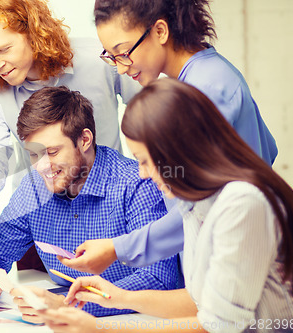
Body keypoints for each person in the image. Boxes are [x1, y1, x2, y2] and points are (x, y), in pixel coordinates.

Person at [39, 78, 293, 333]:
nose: (143, 173)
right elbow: (202, 303)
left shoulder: (242, 203)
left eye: (145, 160)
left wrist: (100, 328)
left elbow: (220, 326)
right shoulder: (196, 205)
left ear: (179, 150)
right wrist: (116, 297)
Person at [60, 0, 279, 275]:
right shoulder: (205, 76)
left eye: (124, 52)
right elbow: (268, 148)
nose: (121, 68)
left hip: (234, 265)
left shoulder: (205, 89)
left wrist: (118, 248)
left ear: (160, 31)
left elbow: (196, 210)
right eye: (111, 56)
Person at [0, 86, 179, 323]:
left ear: (84, 140)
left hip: (138, 321)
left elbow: (159, 277)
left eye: (53, 152)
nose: (42, 166)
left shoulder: (136, 183)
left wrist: (72, 306)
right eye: (34, 155)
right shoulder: (34, 186)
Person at [0, 0, 140, 229]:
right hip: (39, 215)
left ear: (33, 33)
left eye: (3, 49)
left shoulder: (100, 59)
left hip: (110, 205)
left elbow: (154, 115)